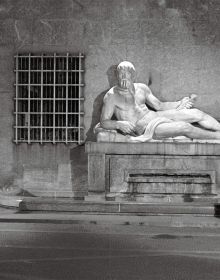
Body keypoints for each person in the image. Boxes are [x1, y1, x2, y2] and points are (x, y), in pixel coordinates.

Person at [99, 61, 220, 142]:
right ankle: (216, 137)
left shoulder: (141, 88)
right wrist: (119, 124)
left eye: (127, 74)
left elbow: (159, 105)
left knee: (196, 113)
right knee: (184, 127)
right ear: (117, 75)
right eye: (121, 74)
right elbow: (104, 121)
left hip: (155, 115)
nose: (124, 77)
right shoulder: (111, 96)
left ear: (133, 76)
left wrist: (179, 103)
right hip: (143, 128)